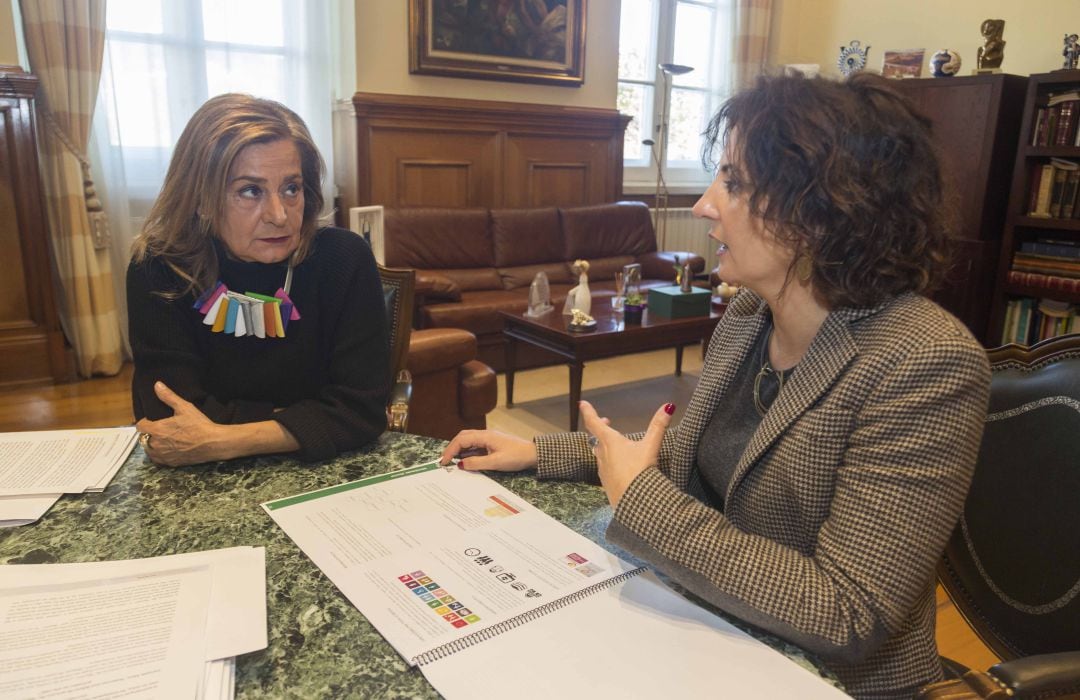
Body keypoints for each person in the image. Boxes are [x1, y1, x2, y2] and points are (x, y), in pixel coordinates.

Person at [440, 73, 990, 699]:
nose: (704, 205)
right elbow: (686, 455)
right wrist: (540, 451)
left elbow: (847, 611)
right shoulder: (749, 315)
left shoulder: (925, 361)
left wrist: (641, 501)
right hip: (715, 633)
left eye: (733, 181)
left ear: (818, 210)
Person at [128, 94, 389, 466]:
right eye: (250, 191)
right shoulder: (159, 268)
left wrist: (225, 439)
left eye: (291, 188)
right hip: (205, 488)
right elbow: (168, 417)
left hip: (324, 479)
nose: (279, 215)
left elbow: (361, 411)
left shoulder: (342, 259)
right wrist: (305, 421)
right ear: (201, 199)